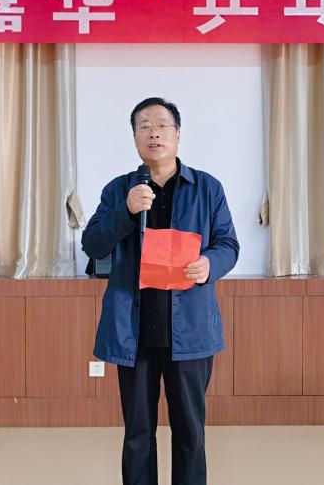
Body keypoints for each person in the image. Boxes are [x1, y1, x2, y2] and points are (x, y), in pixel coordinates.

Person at [82, 97, 240, 485]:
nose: (154, 133)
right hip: (133, 332)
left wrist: (210, 264)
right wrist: (126, 211)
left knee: (190, 432)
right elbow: (93, 245)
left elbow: (228, 244)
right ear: (135, 137)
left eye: (162, 125)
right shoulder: (120, 189)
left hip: (189, 331)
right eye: (144, 126)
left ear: (178, 134)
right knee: (137, 433)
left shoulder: (207, 188)